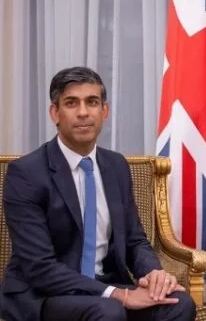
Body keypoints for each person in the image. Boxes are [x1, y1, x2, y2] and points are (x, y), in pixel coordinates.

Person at [0, 67, 195, 321]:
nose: (83, 112)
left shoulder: (116, 166)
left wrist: (153, 273)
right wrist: (118, 295)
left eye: (92, 102)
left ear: (104, 111)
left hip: (105, 286)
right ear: (55, 113)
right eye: (71, 103)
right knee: (109, 310)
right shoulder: (26, 173)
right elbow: (39, 266)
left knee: (179, 304)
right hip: (45, 293)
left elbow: (134, 240)